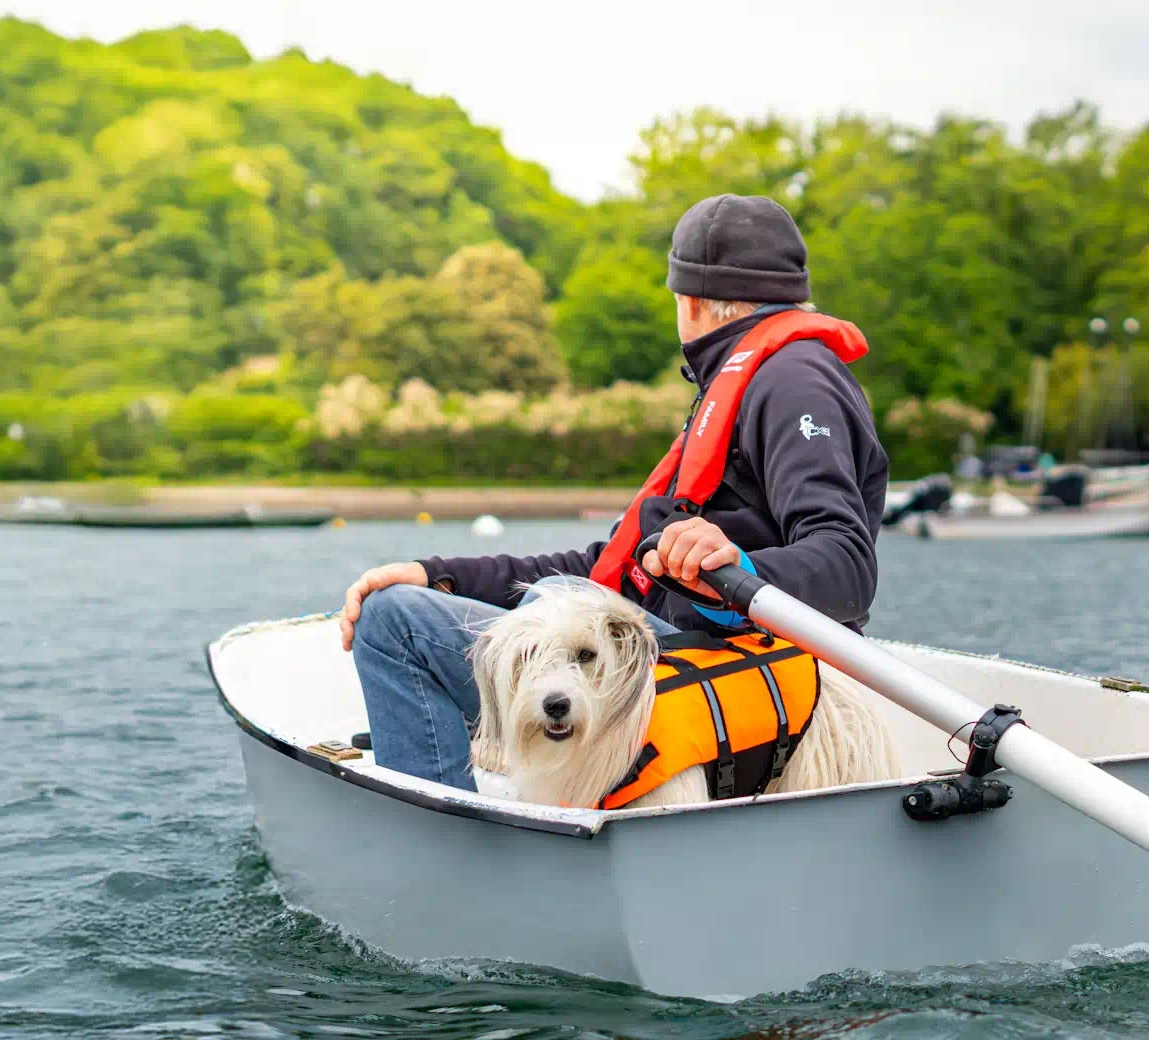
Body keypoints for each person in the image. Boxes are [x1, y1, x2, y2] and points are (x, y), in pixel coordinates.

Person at [339, 193, 890, 791]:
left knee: (393, 623)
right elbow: (607, 570)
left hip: (710, 667)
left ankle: (446, 845)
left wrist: (737, 565)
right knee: (549, 593)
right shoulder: (753, 378)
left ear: (693, 303)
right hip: (675, 647)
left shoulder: (793, 382)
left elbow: (846, 566)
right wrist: (435, 573)